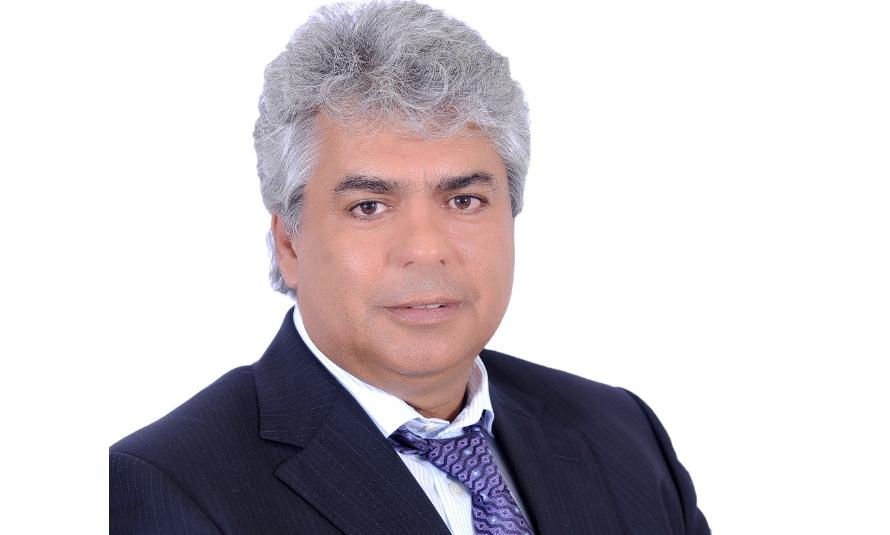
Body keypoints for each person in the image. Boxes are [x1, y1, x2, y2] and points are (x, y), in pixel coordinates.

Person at [109, 2, 710, 533]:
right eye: (369, 206)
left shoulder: (622, 435)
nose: (425, 249)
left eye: (464, 200)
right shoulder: (166, 487)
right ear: (288, 243)